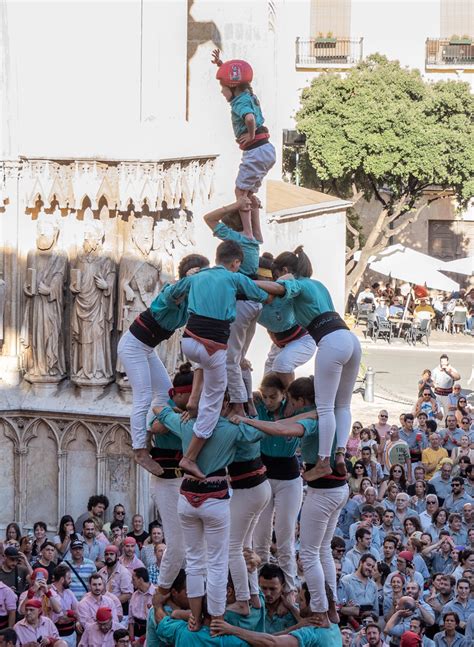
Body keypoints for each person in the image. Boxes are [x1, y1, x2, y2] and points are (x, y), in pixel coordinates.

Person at [152, 398, 264, 632]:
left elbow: (157, 408)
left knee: (194, 562)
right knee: (217, 563)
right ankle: (216, 619)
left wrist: (178, 409)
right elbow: (258, 432)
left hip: (188, 497)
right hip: (215, 498)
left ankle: (195, 618)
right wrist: (244, 413)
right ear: (223, 403)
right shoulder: (232, 428)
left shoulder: (186, 423)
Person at [258, 247, 362, 481]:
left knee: (325, 408)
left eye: (276, 274)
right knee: (342, 406)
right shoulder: (318, 285)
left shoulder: (299, 283)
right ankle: (339, 455)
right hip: (350, 339)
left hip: (330, 340)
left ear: (285, 271)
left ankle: (323, 461)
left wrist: (249, 284)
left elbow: (281, 288)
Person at [171, 240, 271, 478]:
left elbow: (174, 293)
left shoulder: (197, 276)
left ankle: (199, 405)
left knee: (207, 374)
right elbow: (264, 297)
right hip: (212, 347)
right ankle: (190, 457)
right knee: (212, 404)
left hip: (189, 342)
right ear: (236, 263)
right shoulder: (234, 278)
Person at [117, 253, 210, 476]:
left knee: (163, 392)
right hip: (132, 346)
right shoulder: (171, 291)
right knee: (143, 396)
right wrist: (189, 279)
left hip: (146, 348)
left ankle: (148, 433)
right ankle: (139, 451)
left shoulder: (190, 300)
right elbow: (175, 293)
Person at [211, 50, 276, 242]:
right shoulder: (247, 94)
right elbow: (238, 80)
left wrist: (251, 134)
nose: (222, 92)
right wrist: (221, 65)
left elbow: (249, 118)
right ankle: (257, 233)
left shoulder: (239, 103)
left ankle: (248, 232)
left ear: (232, 87)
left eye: (223, 87)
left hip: (255, 151)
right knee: (249, 194)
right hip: (267, 150)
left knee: (240, 193)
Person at [98, 545, 133, 614]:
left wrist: (110, 603)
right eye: (106, 554)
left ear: (117, 556)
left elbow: (127, 595)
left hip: (119, 610)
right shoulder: (100, 572)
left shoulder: (124, 572)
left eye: (111, 554)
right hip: (102, 610)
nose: (109, 556)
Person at [50, 564, 78, 647]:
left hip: (72, 634)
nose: (71, 580)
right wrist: (70, 615)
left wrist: (69, 615)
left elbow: (77, 611)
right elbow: (58, 620)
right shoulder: (49, 593)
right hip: (56, 637)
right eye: (69, 578)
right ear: (62, 579)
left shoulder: (69, 592)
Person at [129, 567, 155, 642]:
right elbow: (131, 620)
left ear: (140, 580)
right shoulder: (134, 595)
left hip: (150, 635)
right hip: (136, 632)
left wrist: (141, 640)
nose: (131, 582)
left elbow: (154, 624)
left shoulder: (155, 595)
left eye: (133, 579)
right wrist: (132, 639)